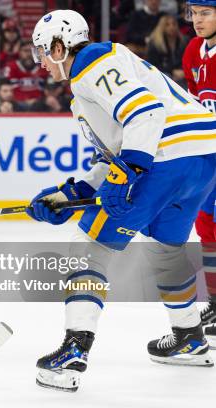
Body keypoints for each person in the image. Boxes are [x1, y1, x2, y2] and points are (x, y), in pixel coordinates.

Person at [28, 9, 216, 392]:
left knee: (90, 247)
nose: (42, 63)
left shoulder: (90, 62)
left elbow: (144, 114)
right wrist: (72, 193)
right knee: (167, 249)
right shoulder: (93, 83)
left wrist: (130, 169)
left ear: (62, 46)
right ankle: (189, 337)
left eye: (43, 52)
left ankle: (73, 351)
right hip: (203, 159)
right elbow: (114, 152)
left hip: (167, 157)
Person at [182, 0, 216, 348]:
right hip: (210, 156)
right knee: (206, 225)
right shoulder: (193, 50)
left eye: (206, 13)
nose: (197, 20)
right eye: (194, 14)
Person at [2, 40, 49, 112]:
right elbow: (4, 89)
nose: (29, 54)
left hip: (39, 105)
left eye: (32, 51)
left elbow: (49, 89)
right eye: (25, 51)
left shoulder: (44, 67)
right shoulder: (11, 67)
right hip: (16, 105)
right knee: (6, 106)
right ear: (19, 52)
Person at [146, 14, 188, 85]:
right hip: (162, 75)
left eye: (174, 24)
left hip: (181, 74)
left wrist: (183, 72)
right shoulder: (154, 44)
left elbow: (187, 61)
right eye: (167, 25)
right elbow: (152, 65)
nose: (171, 27)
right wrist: (172, 71)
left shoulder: (183, 41)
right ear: (162, 27)